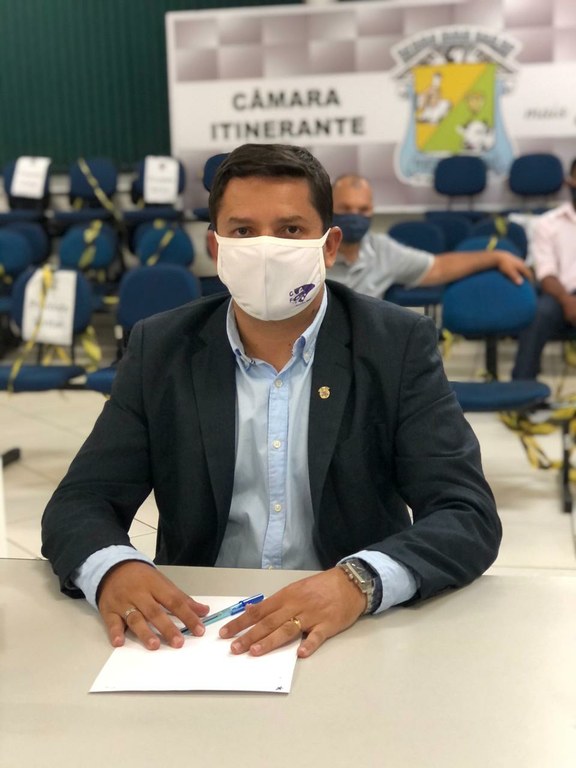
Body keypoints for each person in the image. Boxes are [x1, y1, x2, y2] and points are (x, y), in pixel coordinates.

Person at [42, 143, 501, 660]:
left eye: (290, 230)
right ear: (216, 248)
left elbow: (466, 513)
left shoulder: (396, 344)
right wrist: (114, 569)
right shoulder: (161, 348)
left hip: (352, 627)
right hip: (200, 630)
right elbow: (81, 501)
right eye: (243, 231)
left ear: (329, 246)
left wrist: (359, 582)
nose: (266, 249)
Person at [328, 174, 531, 297]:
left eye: (363, 210)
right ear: (328, 208)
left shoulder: (383, 251)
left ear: (372, 210)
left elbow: (439, 267)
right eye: (345, 208)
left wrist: (496, 257)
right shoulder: (313, 250)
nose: (354, 216)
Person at [512, 159, 576, 380]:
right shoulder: (548, 223)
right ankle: (522, 387)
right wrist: (567, 301)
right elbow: (546, 273)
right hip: (560, 295)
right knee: (538, 314)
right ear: (569, 182)